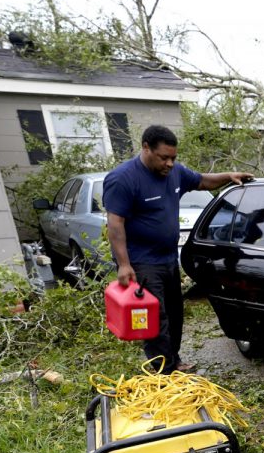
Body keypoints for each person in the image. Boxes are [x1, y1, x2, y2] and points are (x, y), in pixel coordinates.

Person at [103, 125, 253, 373]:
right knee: (156, 318)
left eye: (173, 158)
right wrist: (124, 264)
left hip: (168, 259)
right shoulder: (123, 179)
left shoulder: (174, 173)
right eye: (164, 157)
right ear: (146, 148)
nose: (170, 163)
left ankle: (172, 358)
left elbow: (203, 181)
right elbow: (115, 224)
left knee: (174, 313)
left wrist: (229, 176)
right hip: (141, 261)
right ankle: (164, 370)